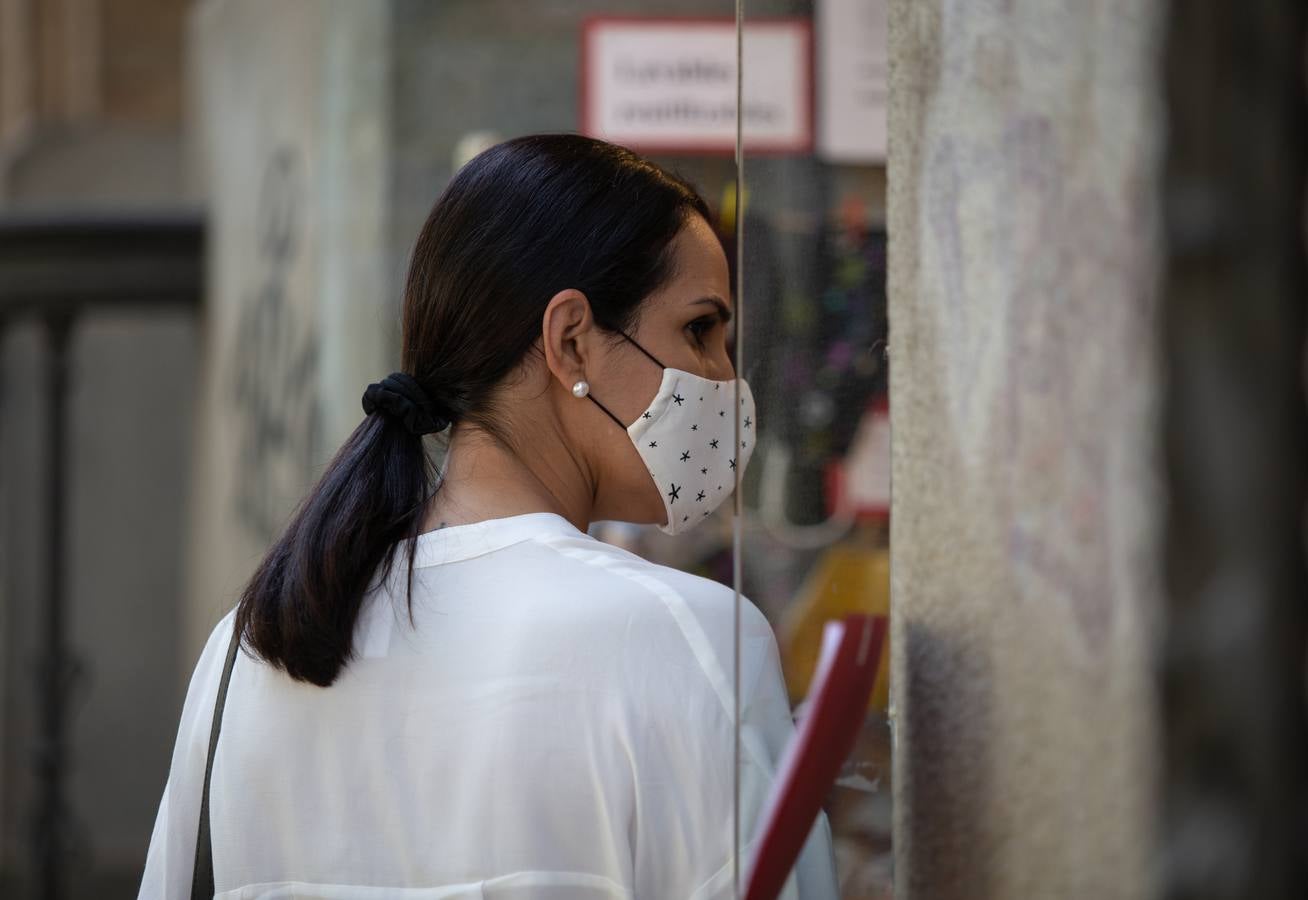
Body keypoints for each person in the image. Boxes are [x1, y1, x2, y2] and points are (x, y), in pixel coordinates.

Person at [137, 133, 839, 899]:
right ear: (571, 341)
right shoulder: (689, 639)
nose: (724, 379)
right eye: (699, 329)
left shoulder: (247, 650)